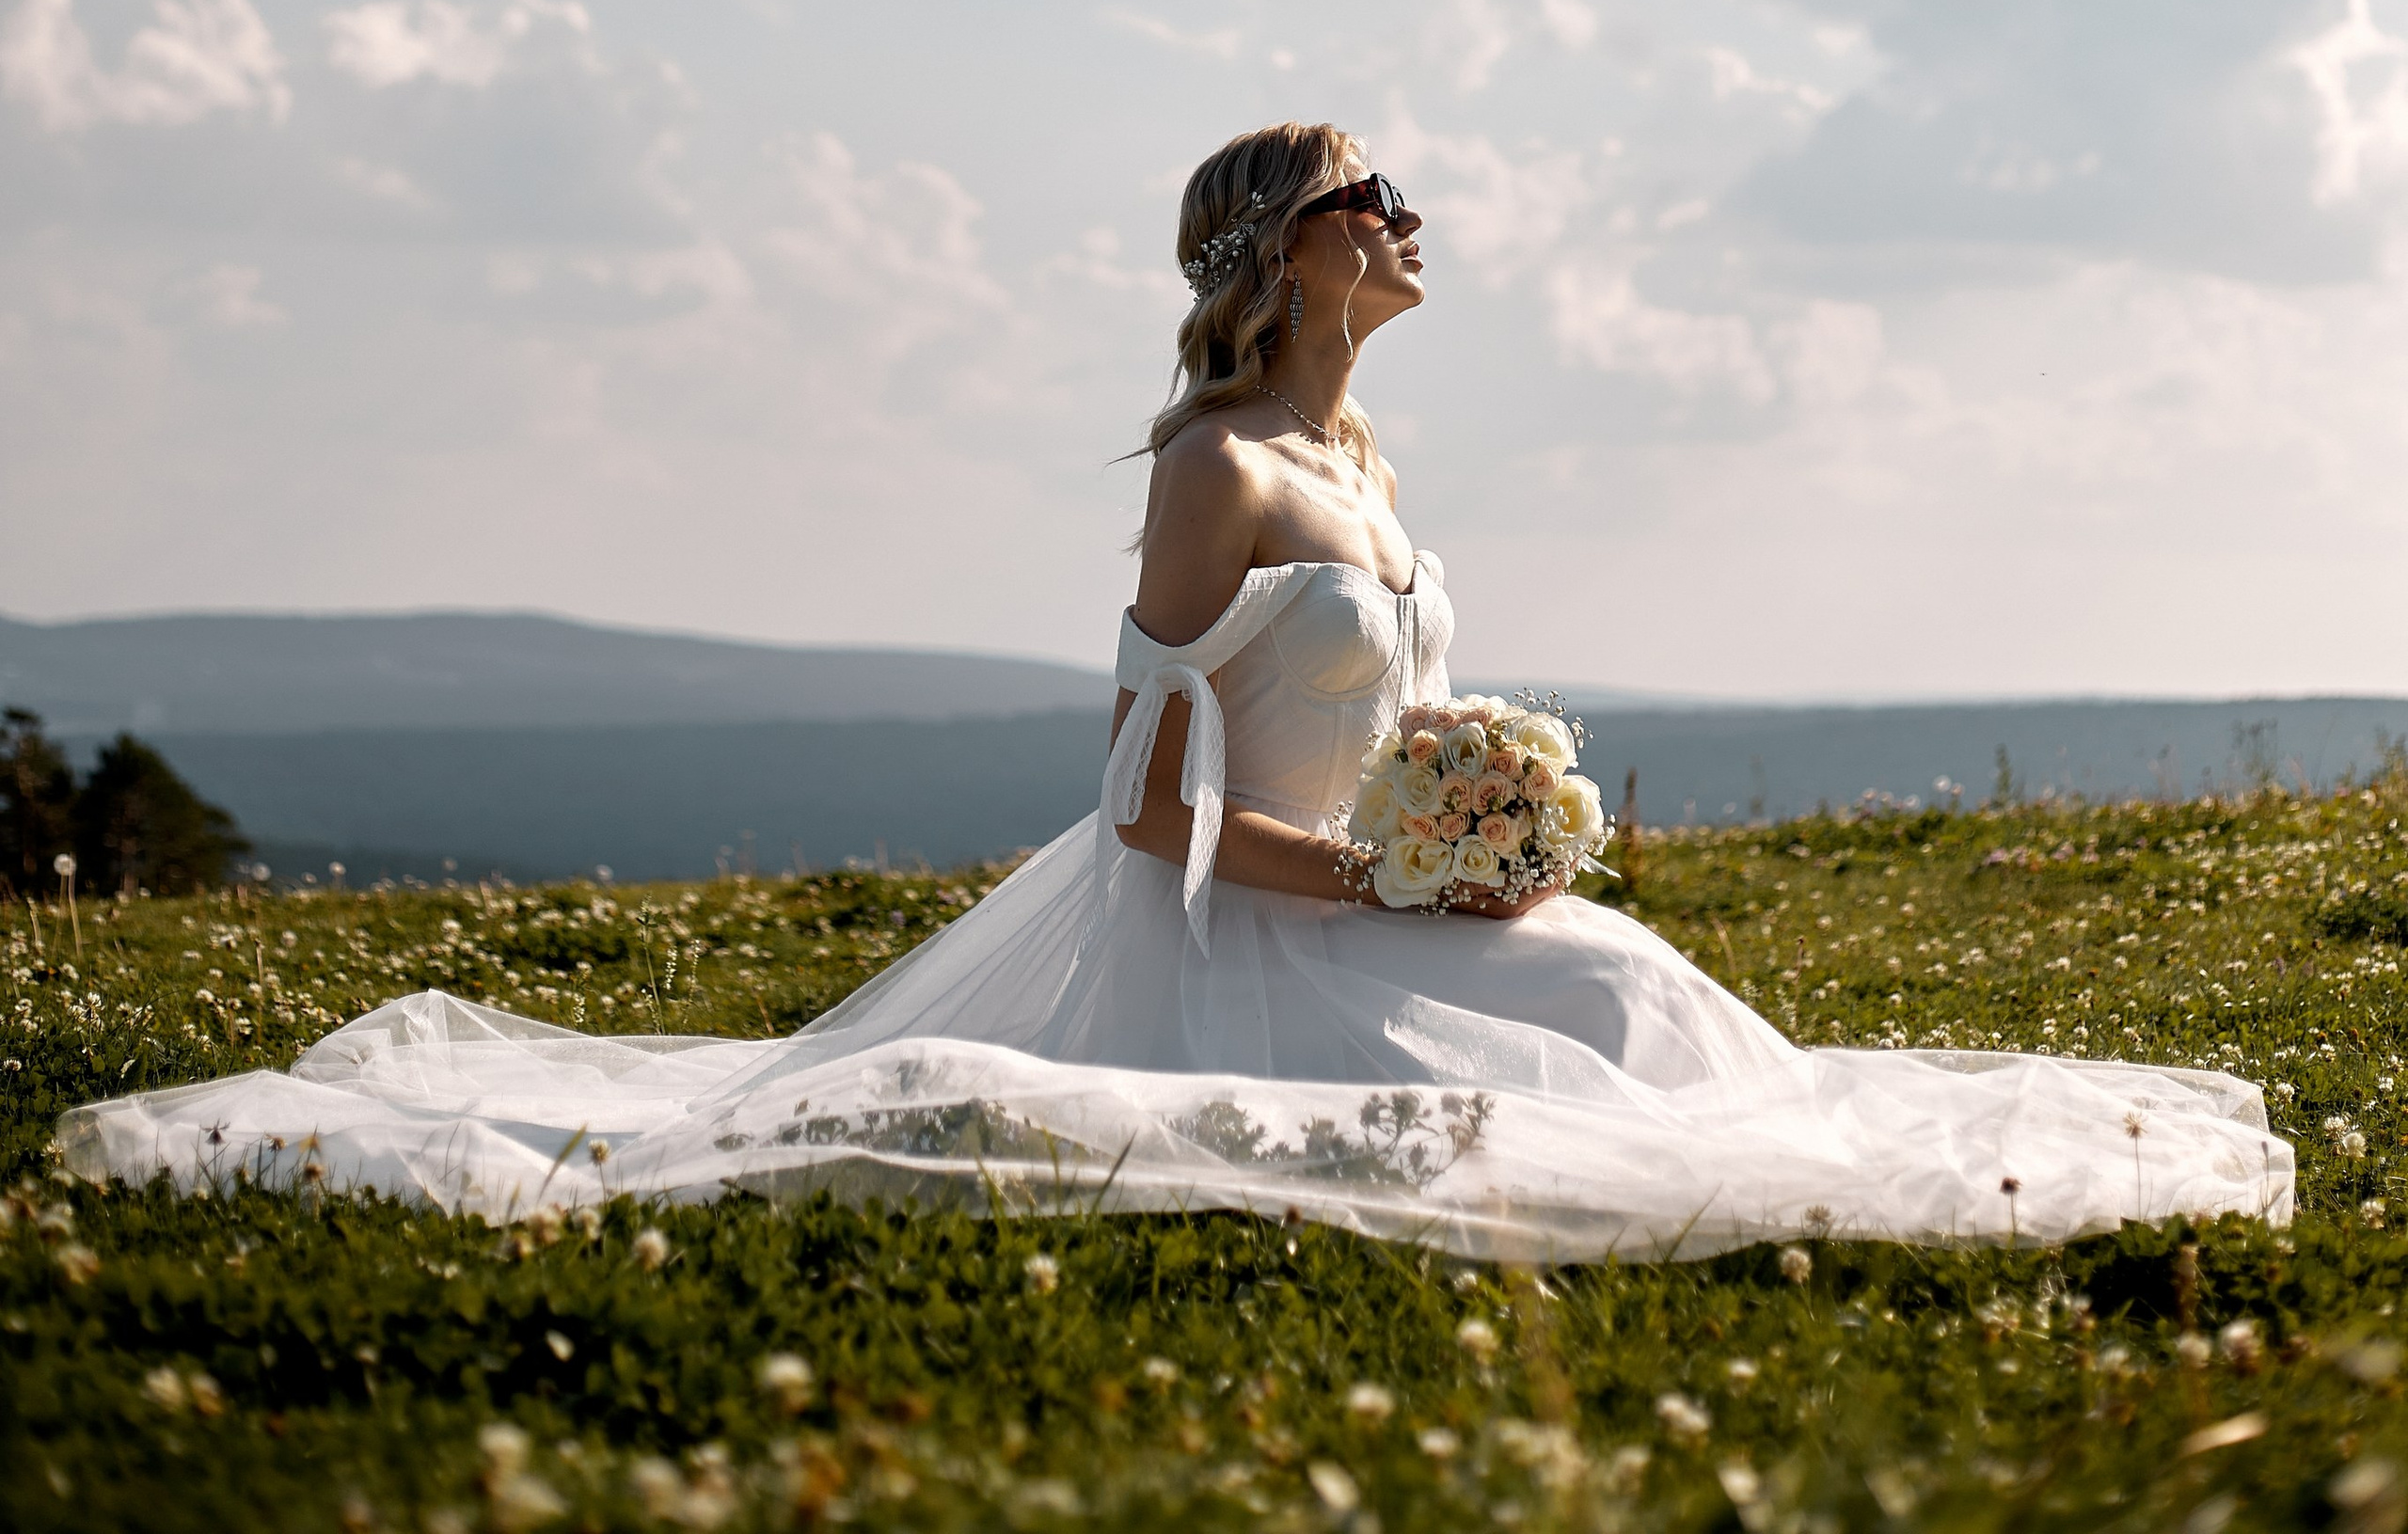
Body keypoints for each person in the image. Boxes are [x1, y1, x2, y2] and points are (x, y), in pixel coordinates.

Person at [62, 120, 2291, 1259]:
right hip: (1233, 929)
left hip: (1382, 902)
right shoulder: (1210, 471)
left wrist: (1483, 835)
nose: (1412, 223)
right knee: (1605, 1032)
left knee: (1634, 1004)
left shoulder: (1362, 458)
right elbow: (1143, 805)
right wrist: (1390, 894)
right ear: (1287, 250)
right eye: (1371, 196)